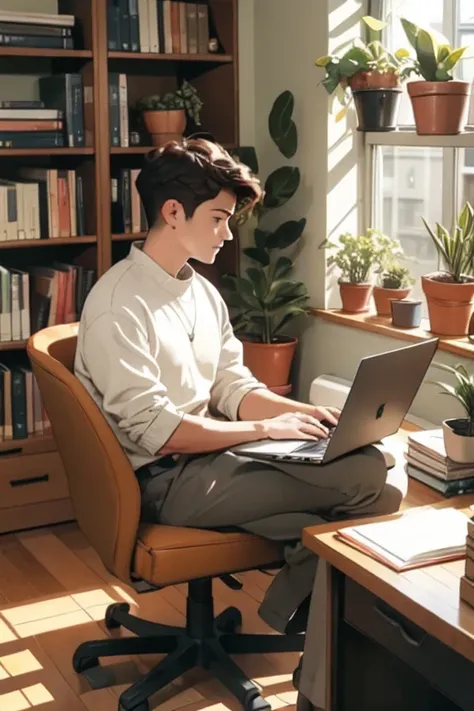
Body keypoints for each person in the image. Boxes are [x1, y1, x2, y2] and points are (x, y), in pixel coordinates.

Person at [74, 138, 407, 703]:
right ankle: (307, 642)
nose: (228, 234)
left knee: (375, 477)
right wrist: (264, 431)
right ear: (172, 212)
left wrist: (303, 414)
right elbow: (162, 430)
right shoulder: (117, 306)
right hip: (168, 480)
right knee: (369, 480)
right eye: (219, 218)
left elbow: (233, 388)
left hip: (217, 458)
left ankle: (315, 661)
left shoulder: (201, 292)